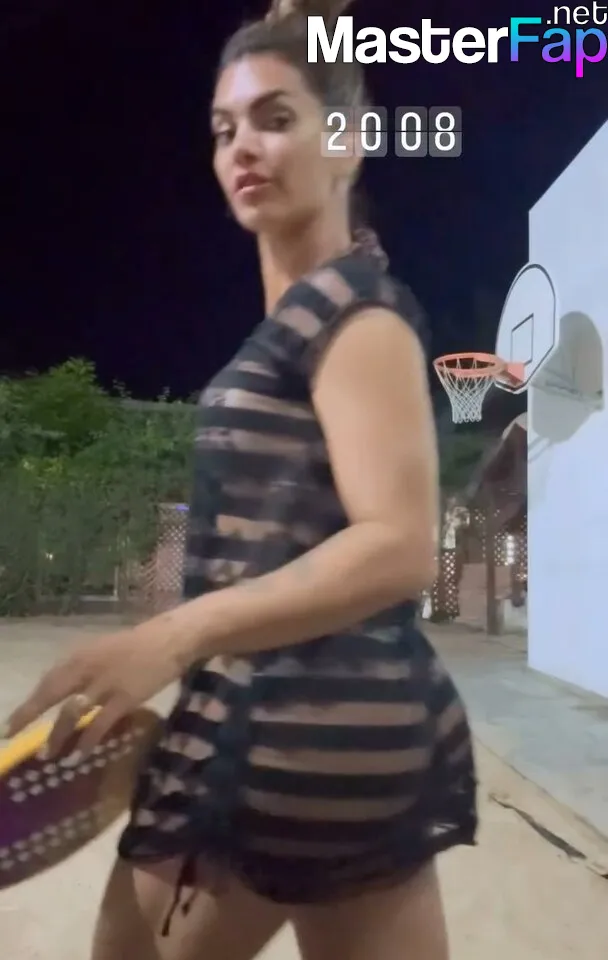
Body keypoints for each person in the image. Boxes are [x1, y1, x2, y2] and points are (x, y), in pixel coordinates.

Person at [3, 2, 477, 957]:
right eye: (224, 129)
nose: (242, 148)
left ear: (346, 146)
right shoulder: (305, 316)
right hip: (294, 734)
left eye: (275, 118)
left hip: (305, 746)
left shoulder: (358, 315)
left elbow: (398, 546)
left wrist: (171, 636)